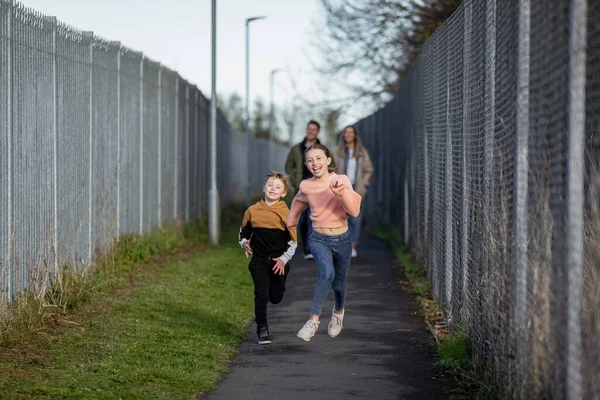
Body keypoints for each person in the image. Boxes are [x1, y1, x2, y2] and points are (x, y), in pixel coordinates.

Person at [287, 144, 361, 341]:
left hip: (343, 238)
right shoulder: (306, 186)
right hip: (318, 238)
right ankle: (313, 321)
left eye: (319, 158)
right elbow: (297, 205)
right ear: (306, 165)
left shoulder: (341, 180)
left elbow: (354, 211)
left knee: (339, 284)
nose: (315, 163)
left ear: (328, 160)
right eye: (310, 160)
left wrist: (341, 193)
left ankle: (338, 314)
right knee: (327, 273)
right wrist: (290, 225)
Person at [239, 171, 297, 345]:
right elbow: (244, 231)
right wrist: (243, 242)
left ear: (283, 193)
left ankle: (276, 287)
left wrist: (283, 260)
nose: (273, 188)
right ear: (264, 187)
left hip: (279, 261)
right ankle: (262, 329)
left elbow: (293, 242)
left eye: (278, 187)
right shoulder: (252, 211)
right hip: (259, 260)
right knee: (261, 294)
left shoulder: (287, 214)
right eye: (270, 185)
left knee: (276, 297)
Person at [285, 120, 335, 260]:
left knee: (312, 219)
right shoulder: (296, 149)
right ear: (306, 130)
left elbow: (331, 165)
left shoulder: (322, 149)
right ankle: (304, 243)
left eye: (314, 129)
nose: (311, 131)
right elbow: (288, 166)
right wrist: (296, 182)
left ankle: (310, 248)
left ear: (317, 132)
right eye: (309, 129)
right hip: (301, 189)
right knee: (301, 220)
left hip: (318, 190)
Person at [334, 125, 374, 258]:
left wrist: (364, 184)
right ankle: (342, 245)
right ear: (343, 135)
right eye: (346, 132)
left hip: (357, 188)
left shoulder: (362, 152)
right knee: (341, 217)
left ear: (355, 135)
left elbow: (369, 169)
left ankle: (352, 246)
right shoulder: (338, 152)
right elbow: (332, 169)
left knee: (355, 219)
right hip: (342, 188)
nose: (348, 135)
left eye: (351, 132)